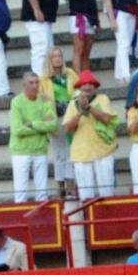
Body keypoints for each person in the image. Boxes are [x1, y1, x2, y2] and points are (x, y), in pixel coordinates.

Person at [62, 70, 118, 199]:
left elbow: (107, 119)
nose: (87, 87)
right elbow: (67, 128)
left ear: (95, 87)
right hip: (81, 153)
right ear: (79, 88)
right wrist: (80, 112)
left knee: (107, 193)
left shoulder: (103, 99)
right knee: (85, 195)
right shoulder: (73, 103)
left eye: (91, 84)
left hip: (103, 151)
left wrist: (89, 108)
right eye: (84, 84)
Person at [9, 72, 56, 203]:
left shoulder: (44, 100)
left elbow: (52, 125)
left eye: (36, 82)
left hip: (40, 149)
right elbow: (17, 129)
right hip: (21, 151)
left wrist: (32, 124)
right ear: (24, 85)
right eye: (31, 83)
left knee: (42, 193)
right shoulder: (16, 102)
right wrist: (41, 126)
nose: (35, 86)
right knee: (20, 192)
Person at [41, 47, 78, 199]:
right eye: (54, 56)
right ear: (49, 60)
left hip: (69, 116)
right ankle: (60, 186)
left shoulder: (70, 74)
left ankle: (71, 185)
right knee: (59, 153)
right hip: (54, 117)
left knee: (71, 151)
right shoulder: (44, 79)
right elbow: (42, 100)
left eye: (59, 56)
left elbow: (77, 91)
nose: (57, 59)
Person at [63, 0, 99, 73]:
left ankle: (86, 76)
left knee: (86, 52)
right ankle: (78, 79)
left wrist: (97, 21)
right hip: (78, 18)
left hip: (90, 18)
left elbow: (93, 2)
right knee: (79, 50)